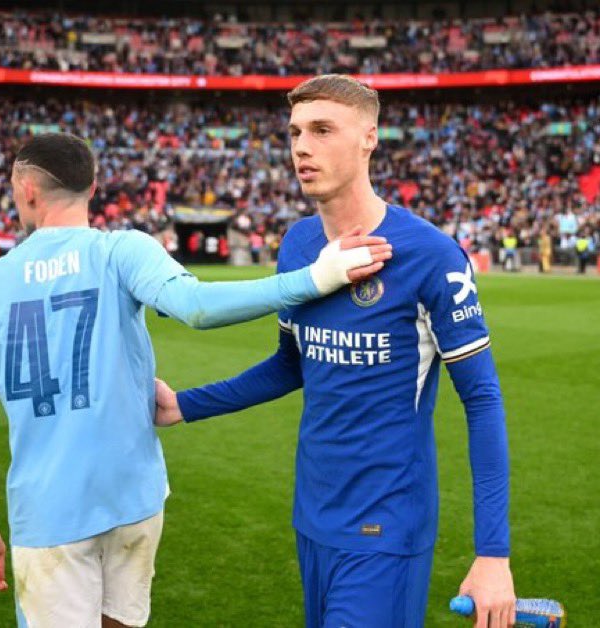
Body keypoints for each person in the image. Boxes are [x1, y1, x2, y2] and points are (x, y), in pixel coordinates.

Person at [0, 132, 390, 628]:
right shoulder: (121, 250)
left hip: (49, 511)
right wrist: (316, 278)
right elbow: (196, 306)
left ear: (26, 189)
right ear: (92, 188)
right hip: (135, 497)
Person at [154, 75, 516, 628]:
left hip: (387, 525)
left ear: (369, 138)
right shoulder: (298, 245)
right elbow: (289, 365)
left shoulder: (431, 255)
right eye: (296, 131)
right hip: (314, 517)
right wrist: (185, 405)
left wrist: (493, 554)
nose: (302, 146)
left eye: (323, 130)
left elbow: (483, 400)